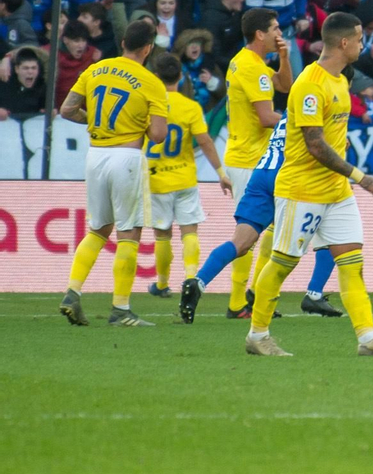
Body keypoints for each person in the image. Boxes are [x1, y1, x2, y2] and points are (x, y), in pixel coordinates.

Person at [244, 13, 373, 357]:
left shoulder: (341, 81)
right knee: (283, 263)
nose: (362, 45)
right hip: (302, 189)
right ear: (344, 43)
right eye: (360, 39)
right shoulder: (309, 85)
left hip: (336, 192)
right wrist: (361, 177)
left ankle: (368, 338)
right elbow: (315, 145)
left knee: (352, 261)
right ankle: (257, 336)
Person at [56, 19, 168, 328]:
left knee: (98, 229)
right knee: (129, 233)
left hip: (95, 155)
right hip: (127, 157)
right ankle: (120, 308)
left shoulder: (95, 70)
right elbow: (158, 134)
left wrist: (94, 120)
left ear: (122, 44)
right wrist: (139, 122)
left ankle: (72, 292)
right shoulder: (151, 82)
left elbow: (66, 109)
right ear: (148, 48)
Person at [182, 118, 342, 324]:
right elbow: (318, 147)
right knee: (330, 228)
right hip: (288, 176)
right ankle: (313, 294)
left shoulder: (287, 113)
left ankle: (198, 281)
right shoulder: (318, 108)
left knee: (241, 242)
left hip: (262, 172)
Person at [212, 8, 294, 317]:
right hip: (249, 159)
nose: (279, 33)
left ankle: (255, 294)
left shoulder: (248, 62)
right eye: (275, 28)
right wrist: (299, 123)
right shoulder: (252, 68)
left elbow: (284, 87)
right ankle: (239, 301)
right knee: (249, 233)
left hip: (250, 156)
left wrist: (285, 58)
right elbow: (265, 117)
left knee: (267, 228)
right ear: (260, 34)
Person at [144, 52, 232, 299]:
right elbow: (204, 141)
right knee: (189, 232)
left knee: (162, 235)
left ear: (155, 77)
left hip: (156, 179)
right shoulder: (191, 107)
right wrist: (221, 173)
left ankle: (162, 284)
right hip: (184, 178)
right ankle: (191, 279)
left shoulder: (147, 105)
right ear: (181, 77)